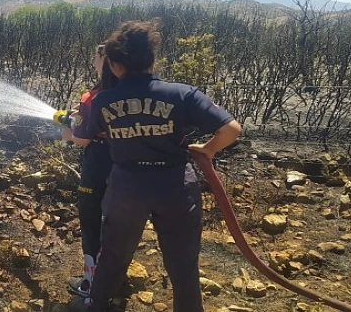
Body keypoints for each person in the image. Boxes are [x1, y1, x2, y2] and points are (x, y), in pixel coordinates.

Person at [70, 20, 242, 312]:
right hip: (174, 186)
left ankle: (96, 306)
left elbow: (81, 136)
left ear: (114, 65)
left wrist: (76, 119)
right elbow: (231, 129)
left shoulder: (104, 100)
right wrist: (208, 149)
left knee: (112, 258)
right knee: (183, 263)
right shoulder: (181, 93)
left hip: (126, 188)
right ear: (152, 59)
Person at [61, 43, 118, 298]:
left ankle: (90, 284)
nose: (93, 59)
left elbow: (82, 139)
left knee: (91, 220)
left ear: (104, 60)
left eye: (96, 55)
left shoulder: (94, 96)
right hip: (126, 169)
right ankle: (115, 277)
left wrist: (68, 129)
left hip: (98, 166)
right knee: (116, 224)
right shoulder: (128, 90)